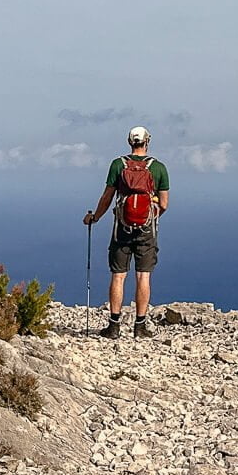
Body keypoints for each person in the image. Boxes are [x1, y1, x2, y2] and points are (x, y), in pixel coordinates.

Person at [82, 125, 171, 338]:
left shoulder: (117, 165)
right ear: (147, 142)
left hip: (121, 228)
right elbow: (165, 204)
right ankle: (139, 327)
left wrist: (94, 217)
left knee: (118, 275)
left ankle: (113, 326)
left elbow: (107, 197)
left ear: (129, 142)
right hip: (146, 230)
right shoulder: (158, 168)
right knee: (143, 276)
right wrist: (148, 217)